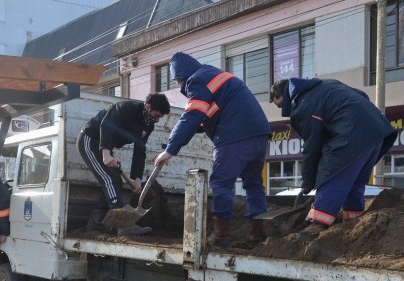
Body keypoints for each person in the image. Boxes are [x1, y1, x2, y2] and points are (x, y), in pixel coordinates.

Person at [154, 52, 271, 247]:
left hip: (234, 137)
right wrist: (172, 144)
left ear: (181, 77)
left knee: (221, 182)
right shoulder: (213, 74)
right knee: (253, 184)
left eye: (177, 82)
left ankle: (221, 235)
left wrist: (171, 149)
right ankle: (256, 234)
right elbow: (206, 117)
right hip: (259, 133)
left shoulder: (196, 81)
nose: (178, 86)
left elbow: (192, 116)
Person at [269, 78, 398, 233]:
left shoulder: (304, 105)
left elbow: (312, 147)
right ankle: (353, 220)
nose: (283, 109)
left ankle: (318, 223)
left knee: (331, 174)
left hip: (352, 133)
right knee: (354, 181)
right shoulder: (326, 84)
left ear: (283, 94)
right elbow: (361, 95)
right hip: (377, 131)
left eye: (281, 105)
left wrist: (308, 182)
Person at [78, 93, 170, 236]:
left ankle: (95, 225)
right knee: (110, 179)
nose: (155, 120)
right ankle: (123, 226)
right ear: (148, 106)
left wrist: (137, 179)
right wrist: (106, 153)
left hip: (105, 148)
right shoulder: (126, 108)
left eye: (158, 118)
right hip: (90, 141)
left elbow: (140, 150)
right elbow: (106, 125)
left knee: (115, 182)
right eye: (155, 116)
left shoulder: (148, 125)